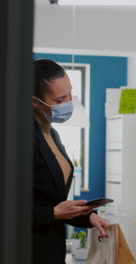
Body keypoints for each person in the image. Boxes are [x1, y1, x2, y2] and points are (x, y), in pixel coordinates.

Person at [32, 59, 109, 264]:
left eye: (70, 95)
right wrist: (53, 213)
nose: (68, 103)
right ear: (34, 101)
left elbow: (54, 198)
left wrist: (88, 216)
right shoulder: (18, 138)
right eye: (59, 100)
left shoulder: (51, 134)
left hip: (52, 249)